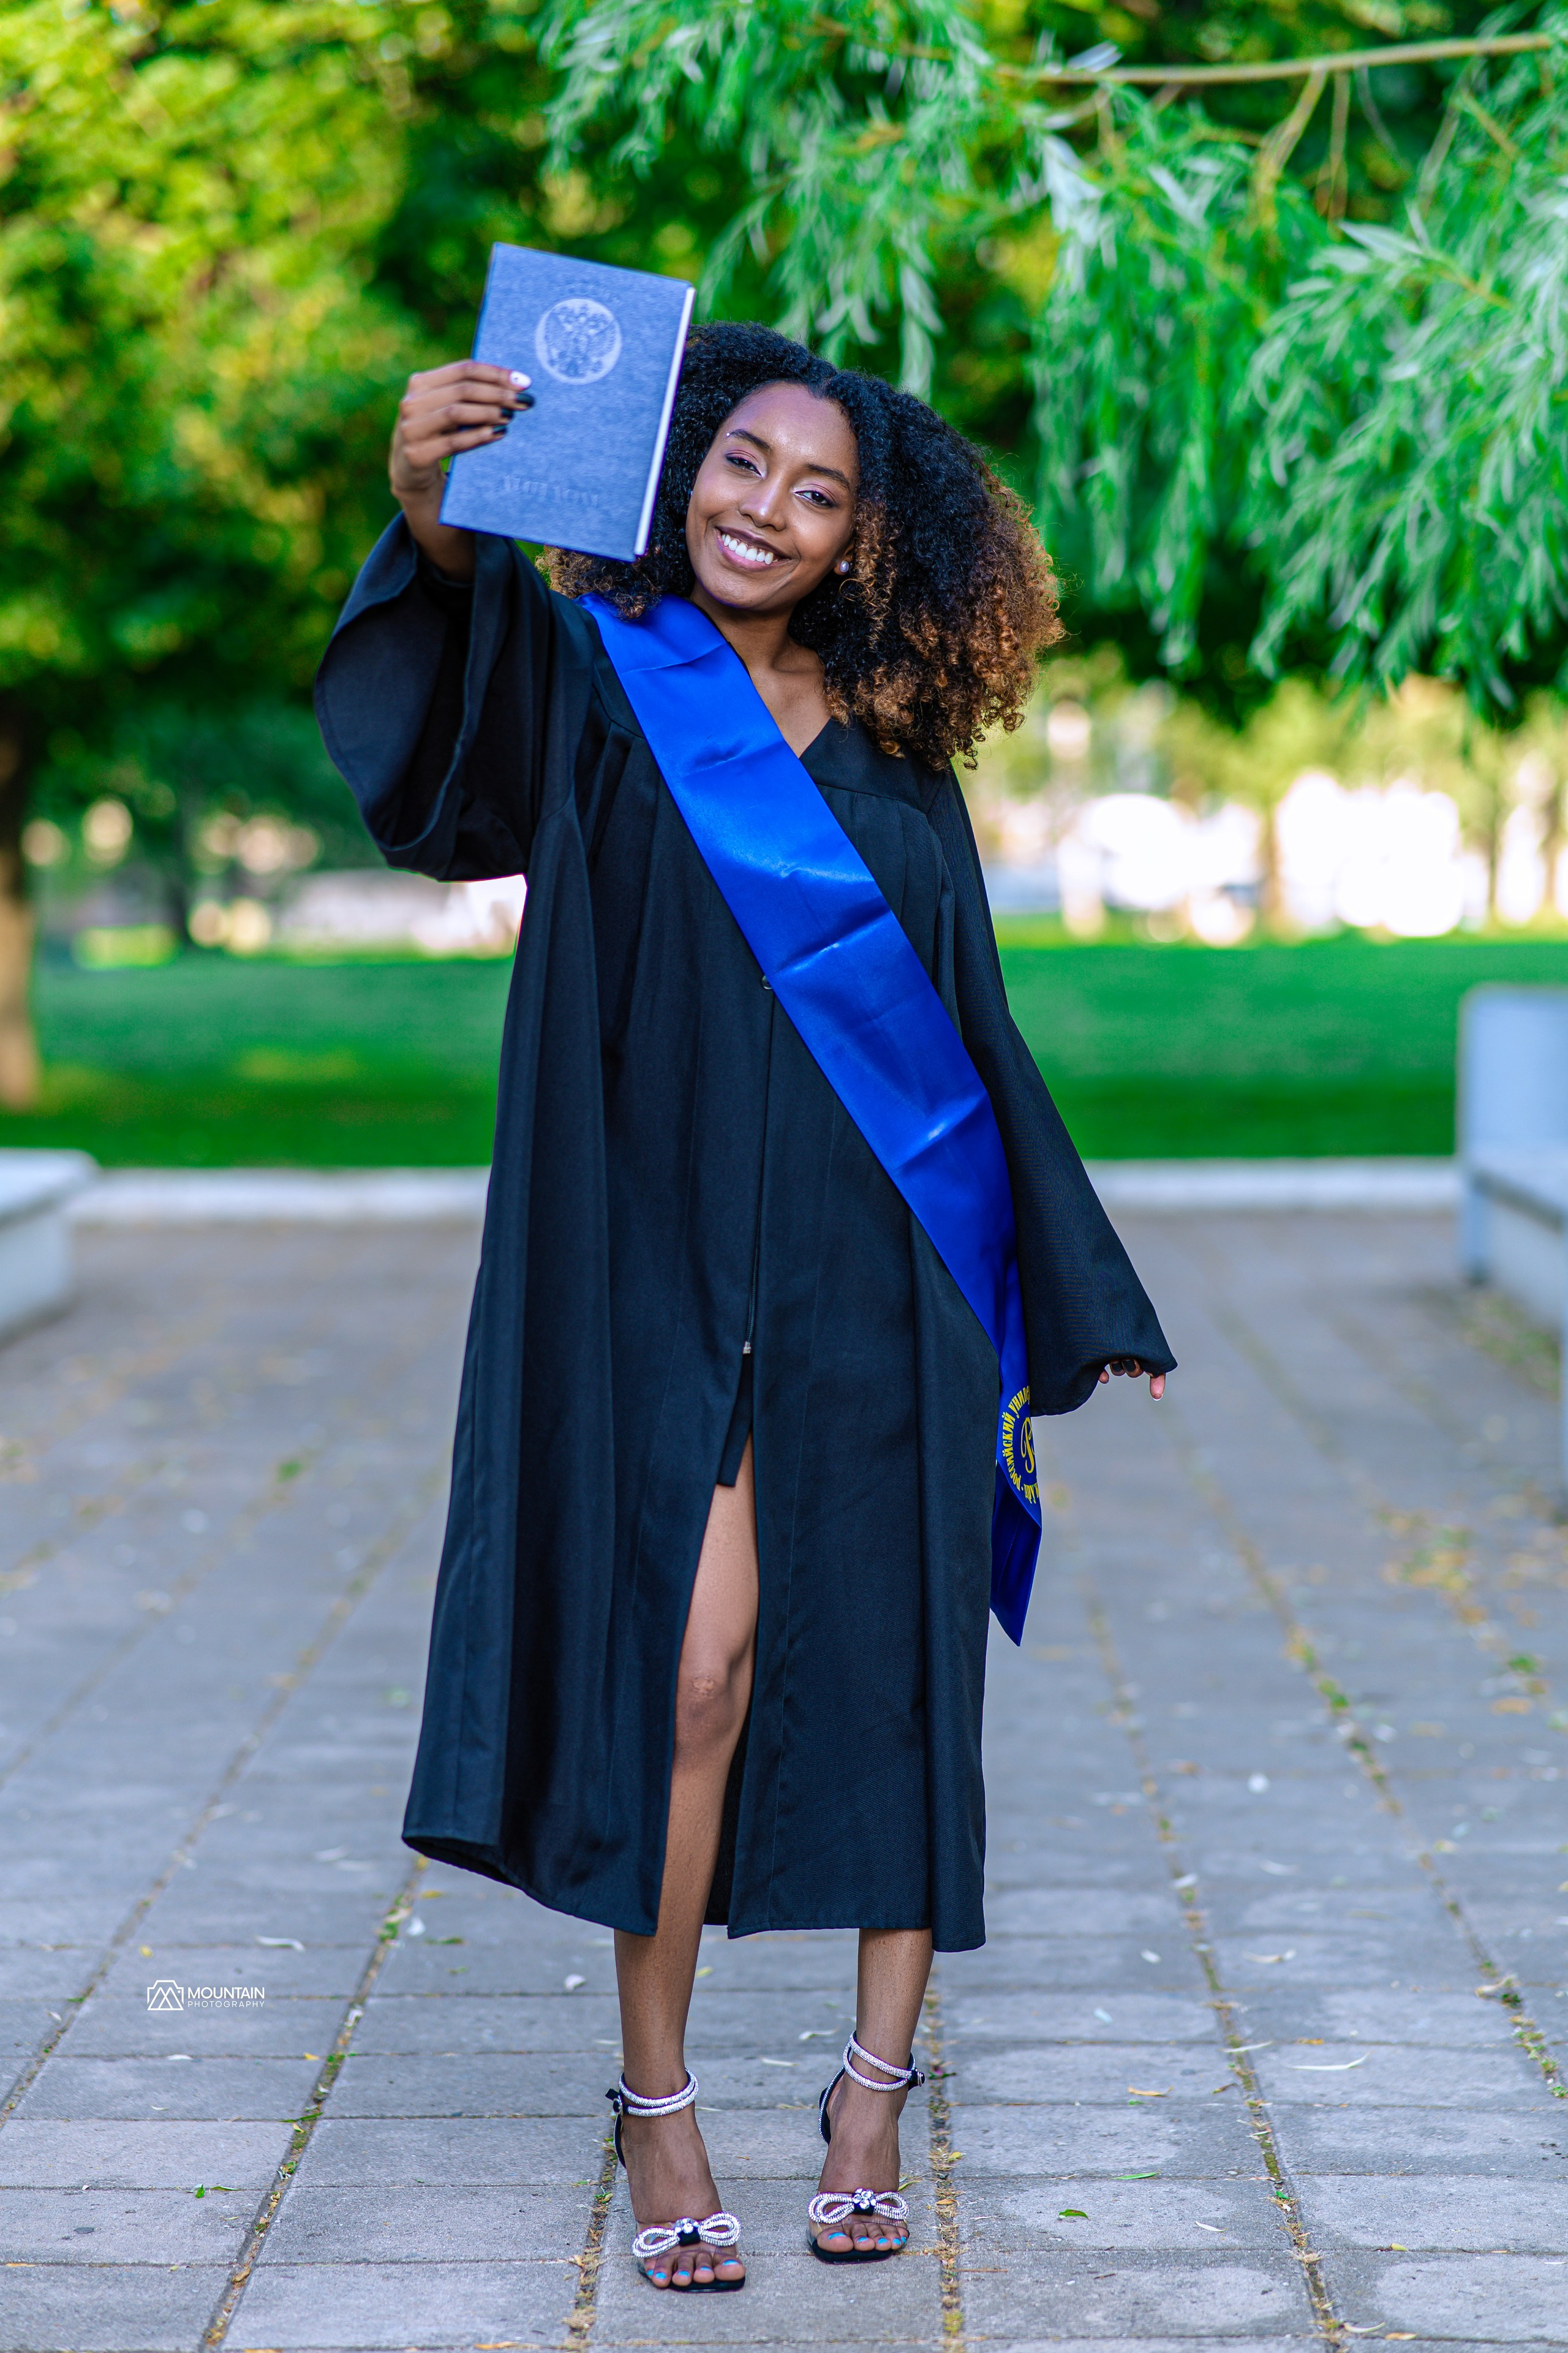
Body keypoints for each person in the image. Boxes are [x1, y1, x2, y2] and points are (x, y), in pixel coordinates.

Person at [315, 321, 1173, 2294]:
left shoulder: (895, 755)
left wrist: (1073, 1278)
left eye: (818, 493)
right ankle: (658, 2098)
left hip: (884, 1270)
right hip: (662, 1246)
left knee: (894, 1662)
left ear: (869, 539)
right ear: (679, 462)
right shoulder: (605, 682)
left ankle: (872, 2092)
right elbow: (444, 770)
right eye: (742, 465)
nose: (766, 510)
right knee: (694, 1674)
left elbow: (969, 1028)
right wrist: (435, 518)